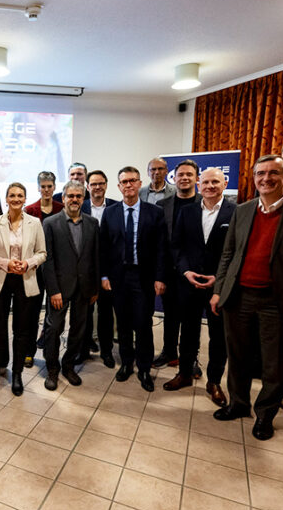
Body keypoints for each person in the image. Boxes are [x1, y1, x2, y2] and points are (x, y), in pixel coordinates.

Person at [210, 155, 283, 441]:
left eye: (273, 173)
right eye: (260, 173)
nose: (266, 179)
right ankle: (238, 404)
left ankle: (265, 416)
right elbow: (229, 254)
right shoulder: (243, 210)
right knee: (237, 356)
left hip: (278, 301)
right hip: (238, 296)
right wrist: (219, 291)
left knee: (274, 364)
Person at [168, 168, 236, 405]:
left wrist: (218, 277)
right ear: (199, 185)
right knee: (187, 331)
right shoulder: (186, 212)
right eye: (205, 182)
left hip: (219, 285)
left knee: (219, 336)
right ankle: (185, 373)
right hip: (189, 283)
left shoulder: (236, 212)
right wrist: (186, 271)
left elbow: (237, 251)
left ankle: (214, 381)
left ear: (224, 183)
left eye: (214, 182)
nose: (209, 186)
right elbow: (176, 246)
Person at [100, 166, 168, 392]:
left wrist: (160, 277)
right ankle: (127, 363)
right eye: (124, 182)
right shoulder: (110, 213)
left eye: (132, 180)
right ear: (119, 187)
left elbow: (161, 249)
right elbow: (104, 248)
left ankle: (145, 367)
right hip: (119, 278)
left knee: (143, 323)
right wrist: (104, 275)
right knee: (124, 323)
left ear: (140, 184)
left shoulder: (155, 212)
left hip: (144, 277)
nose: (128, 185)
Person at [0, 183, 47, 397]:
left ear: (25, 199)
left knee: (21, 331)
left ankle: (17, 374)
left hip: (25, 280)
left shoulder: (35, 223)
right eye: (12, 195)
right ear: (7, 198)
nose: (16, 198)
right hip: (1, 280)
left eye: (20, 195)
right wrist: (5, 263)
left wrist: (27, 263)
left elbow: (42, 253)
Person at [42, 181, 99, 390]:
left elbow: (95, 258)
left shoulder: (92, 224)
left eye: (78, 196)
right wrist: (53, 290)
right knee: (53, 329)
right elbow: (47, 260)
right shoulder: (50, 223)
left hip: (84, 289)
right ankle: (52, 369)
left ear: (82, 199)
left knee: (78, 330)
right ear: (63, 198)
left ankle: (68, 365)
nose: (74, 199)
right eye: (70, 196)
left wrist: (94, 288)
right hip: (60, 289)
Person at [155, 160, 201, 372]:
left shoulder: (204, 203)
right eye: (180, 174)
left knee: (191, 321)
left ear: (196, 178)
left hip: (195, 272)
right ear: (173, 178)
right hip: (169, 271)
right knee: (170, 316)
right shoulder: (162, 206)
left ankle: (190, 359)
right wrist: (160, 275)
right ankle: (169, 352)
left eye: (189, 175)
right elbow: (159, 244)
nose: (184, 178)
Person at [24, 171, 63, 363]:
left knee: (53, 312)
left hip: (57, 269)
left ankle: (49, 348)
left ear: (54, 187)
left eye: (50, 186)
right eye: (43, 186)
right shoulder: (30, 210)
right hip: (35, 269)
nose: (46, 190)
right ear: (38, 187)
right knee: (32, 311)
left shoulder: (62, 208)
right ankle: (28, 351)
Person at [85, 169, 117, 367]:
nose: (97, 187)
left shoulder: (116, 206)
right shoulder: (79, 206)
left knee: (106, 313)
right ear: (87, 186)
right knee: (84, 313)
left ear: (106, 185)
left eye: (101, 183)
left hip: (108, 270)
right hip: (85, 270)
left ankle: (106, 352)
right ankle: (83, 349)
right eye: (93, 184)